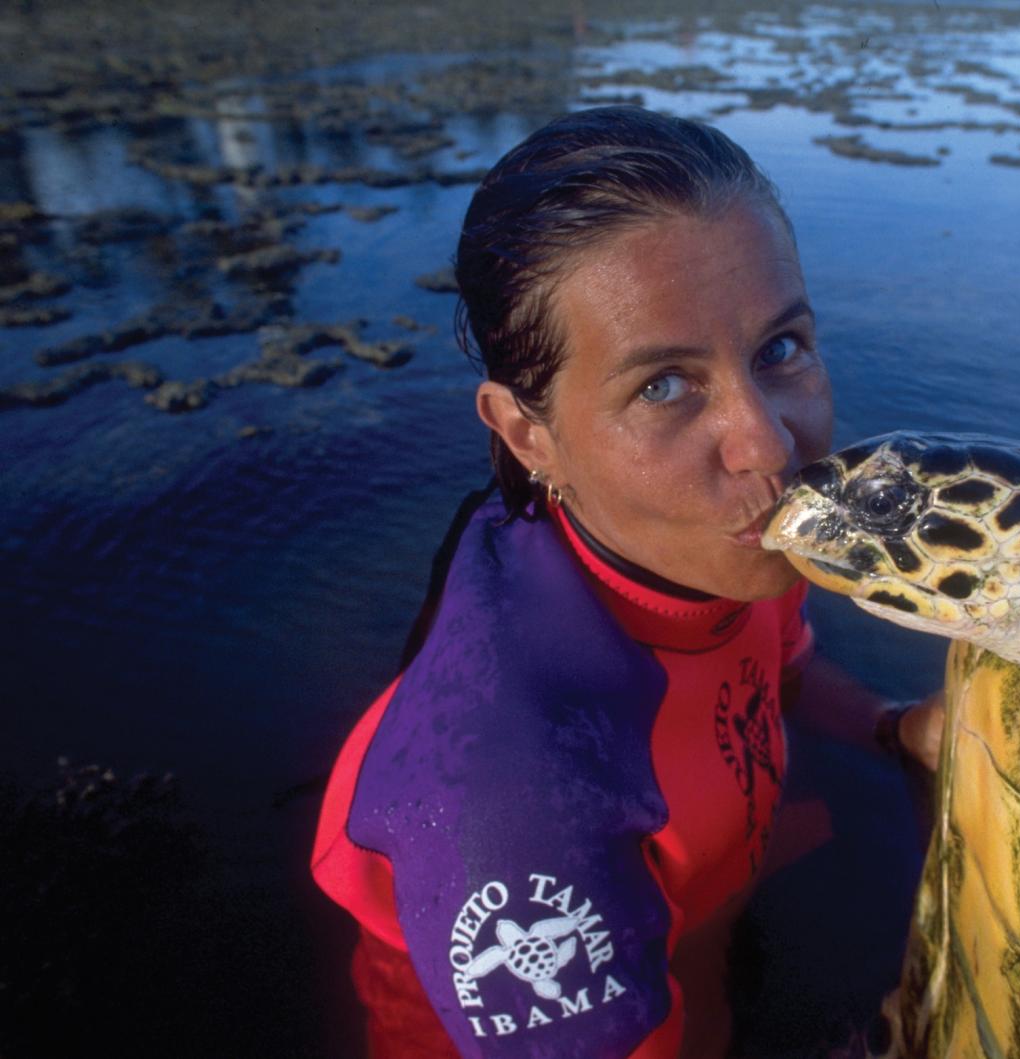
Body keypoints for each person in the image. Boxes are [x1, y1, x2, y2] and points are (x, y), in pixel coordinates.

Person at [311, 106, 942, 1058]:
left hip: (698, 912)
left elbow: (784, 668)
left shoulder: (709, 544)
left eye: (780, 349)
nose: (770, 445)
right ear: (529, 434)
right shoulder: (514, 798)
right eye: (663, 386)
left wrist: (897, 727)